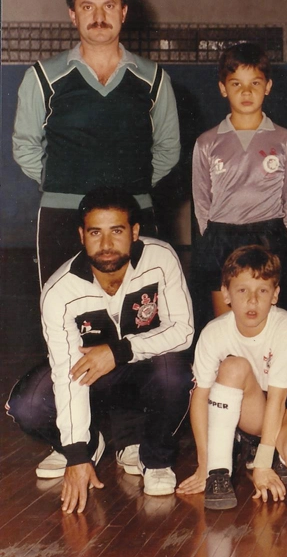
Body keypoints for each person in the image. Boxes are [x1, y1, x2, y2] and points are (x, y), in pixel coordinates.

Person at [6, 187, 194, 512]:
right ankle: (90, 441)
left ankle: (154, 457)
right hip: (90, 378)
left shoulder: (161, 258)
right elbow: (67, 373)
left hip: (143, 368)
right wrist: (76, 453)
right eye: (95, 232)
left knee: (173, 372)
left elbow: (184, 331)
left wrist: (118, 351)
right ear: (82, 235)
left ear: (135, 232)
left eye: (117, 231)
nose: (106, 245)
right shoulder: (58, 290)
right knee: (27, 405)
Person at [12, 0, 181, 287]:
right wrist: (62, 185)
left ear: (124, 12)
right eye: (87, 6)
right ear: (73, 15)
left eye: (109, 5)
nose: (99, 16)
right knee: (65, 319)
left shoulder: (154, 78)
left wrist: (134, 188)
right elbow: (25, 147)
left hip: (132, 216)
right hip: (64, 216)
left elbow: (168, 149)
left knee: (137, 320)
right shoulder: (43, 76)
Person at [177, 245, 287, 510]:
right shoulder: (213, 333)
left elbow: (278, 400)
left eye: (262, 291)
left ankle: (286, 446)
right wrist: (203, 464)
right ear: (226, 293)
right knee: (233, 367)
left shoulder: (285, 328)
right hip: (251, 403)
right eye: (242, 290)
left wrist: (263, 465)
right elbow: (199, 398)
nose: (252, 301)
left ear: (275, 295)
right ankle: (218, 472)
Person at [192, 43, 287, 317]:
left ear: (268, 86)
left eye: (255, 82)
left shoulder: (285, 139)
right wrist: (214, 235)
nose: (246, 91)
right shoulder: (207, 142)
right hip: (220, 238)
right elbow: (201, 200)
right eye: (236, 83)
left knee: (265, 323)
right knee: (225, 324)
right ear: (222, 88)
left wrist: (276, 235)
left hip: (268, 236)